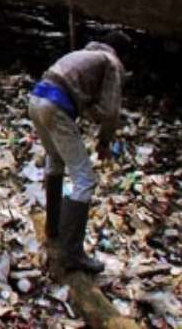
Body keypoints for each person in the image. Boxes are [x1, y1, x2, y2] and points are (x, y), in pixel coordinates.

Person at [27, 31, 129, 275]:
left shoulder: (85, 54)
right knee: (85, 179)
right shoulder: (112, 63)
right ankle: (72, 254)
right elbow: (110, 111)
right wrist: (104, 142)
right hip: (55, 105)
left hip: (36, 99)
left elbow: (84, 101)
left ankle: (53, 229)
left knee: (55, 160)